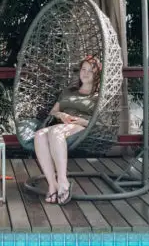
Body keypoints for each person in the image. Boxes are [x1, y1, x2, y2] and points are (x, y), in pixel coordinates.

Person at [33, 55, 101, 205]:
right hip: (61, 124)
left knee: (55, 132)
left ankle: (63, 181)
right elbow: (52, 112)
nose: (85, 73)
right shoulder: (69, 91)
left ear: (97, 74)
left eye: (90, 71)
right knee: (39, 134)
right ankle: (52, 185)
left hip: (81, 126)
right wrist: (61, 114)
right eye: (83, 69)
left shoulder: (98, 96)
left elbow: (102, 121)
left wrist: (83, 121)